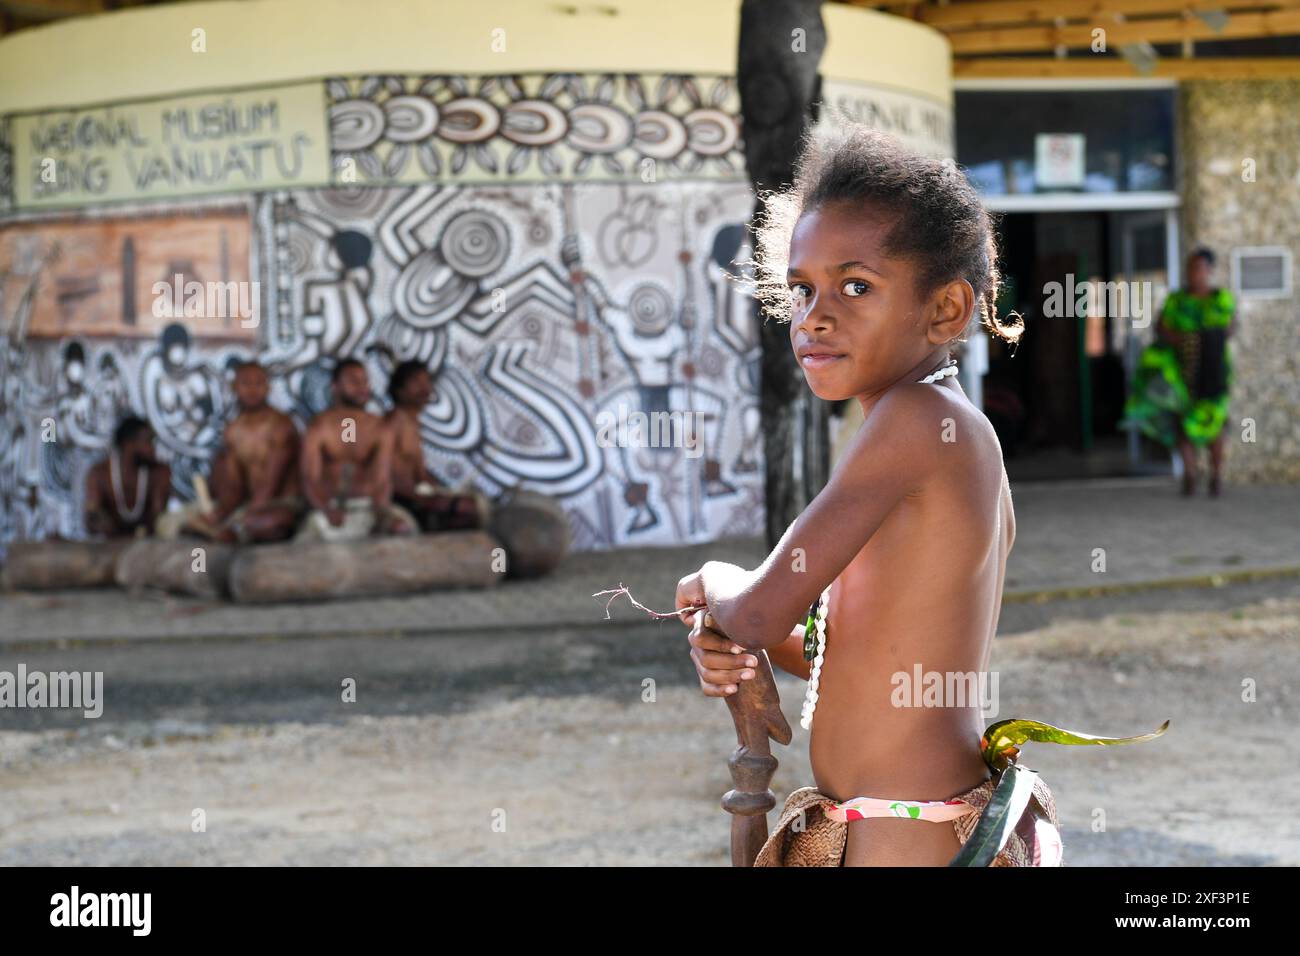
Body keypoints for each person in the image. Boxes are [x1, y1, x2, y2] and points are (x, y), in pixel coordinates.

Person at [676, 125, 1060, 867]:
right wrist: (739, 647)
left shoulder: (919, 422)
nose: (816, 316)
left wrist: (716, 587)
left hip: (903, 837)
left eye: (857, 286)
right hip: (913, 825)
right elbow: (852, 659)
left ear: (946, 310)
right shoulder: (940, 429)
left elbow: (759, 606)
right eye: (803, 289)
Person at [1123, 247, 1234, 496]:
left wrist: (1204, 340)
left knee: (1216, 426)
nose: (1194, 273)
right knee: (1182, 424)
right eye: (1190, 268)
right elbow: (1162, 327)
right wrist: (1183, 341)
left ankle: (1216, 476)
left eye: (1199, 268)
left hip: (1214, 372)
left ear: (1209, 270)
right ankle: (1190, 474)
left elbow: (1230, 327)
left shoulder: (1221, 299)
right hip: (1182, 372)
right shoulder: (1177, 300)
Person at [174, 361, 304, 543]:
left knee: (277, 521)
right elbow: (234, 486)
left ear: (268, 388)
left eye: (258, 383)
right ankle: (230, 529)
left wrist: (244, 516)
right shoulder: (233, 431)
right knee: (196, 519)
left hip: (280, 503)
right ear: (234, 387)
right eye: (245, 383)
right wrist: (221, 512)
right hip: (249, 505)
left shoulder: (281, 425)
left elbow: (271, 482)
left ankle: (233, 531)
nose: (252, 390)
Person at [298, 358, 415, 541]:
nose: (362, 387)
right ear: (335, 386)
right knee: (305, 544)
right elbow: (310, 479)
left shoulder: (381, 427)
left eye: (365, 381)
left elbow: (382, 480)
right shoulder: (318, 427)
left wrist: (380, 513)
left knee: (403, 528)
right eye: (353, 381)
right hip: (329, 509)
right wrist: (326, 509)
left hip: (369, 508)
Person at [384, 360, 489, 532]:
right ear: (400, 389)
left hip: (415, 497)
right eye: (416, 382)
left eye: (427, 382)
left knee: (473, 503)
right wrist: (426, 498)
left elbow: (419, 474)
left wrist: (443, 491)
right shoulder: (393, 423)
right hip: (400, 501)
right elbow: (388, 476)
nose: (425, 389)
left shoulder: (413, 423)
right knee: (468, 510)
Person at [85, 416, 171, 538]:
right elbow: (91, 518)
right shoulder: (99, 474)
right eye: (148, 441)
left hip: (148, 547)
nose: (153, 449)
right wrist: (102, 522)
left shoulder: (159, 473)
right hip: (110, 548)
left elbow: (158, 519)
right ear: (129, 445)